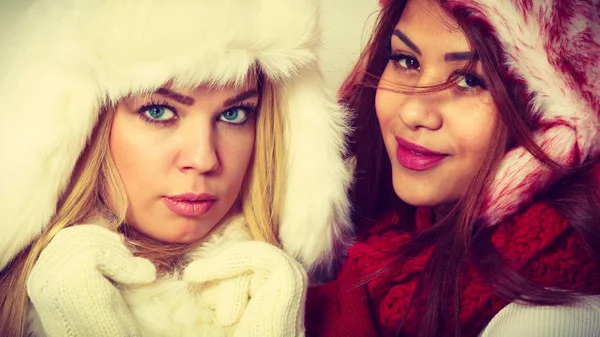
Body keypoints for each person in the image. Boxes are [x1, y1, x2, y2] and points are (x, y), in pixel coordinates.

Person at [0, 0, 353, 336]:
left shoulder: (318, 300)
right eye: (158, 111)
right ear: (86, 129)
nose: (203, 159)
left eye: (234, 114)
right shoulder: (16, 302)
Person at [306, 0, 600, 336]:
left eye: (470, 81)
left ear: (551, 120)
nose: (414, 112)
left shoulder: (553, 316)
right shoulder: (364, 226)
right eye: (406, 60)